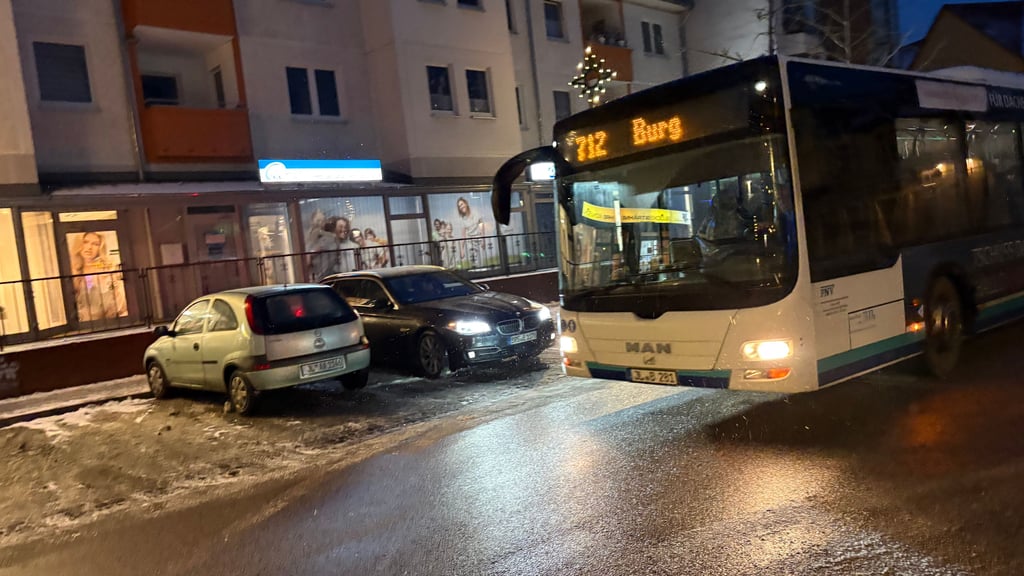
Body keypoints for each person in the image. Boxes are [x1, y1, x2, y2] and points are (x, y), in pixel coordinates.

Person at [71, 232, 127, 321]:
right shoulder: (75, 270)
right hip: (84, 320)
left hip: (108, 319)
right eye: (85, 242)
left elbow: (119, 299)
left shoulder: (106, 269)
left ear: (100, 248)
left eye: (95, 244)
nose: (89, 247)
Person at [456, 196, 485, 268]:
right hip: (470, 243)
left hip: (479, 240)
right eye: (459, 206)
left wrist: (483, 239)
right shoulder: (462, 219)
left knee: (482, 262)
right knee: (474, 263)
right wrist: (462, 249)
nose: (461, 207)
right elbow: (463, 236)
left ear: (466, 203)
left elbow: (481, 226)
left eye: (462, 204)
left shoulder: (475, 213)